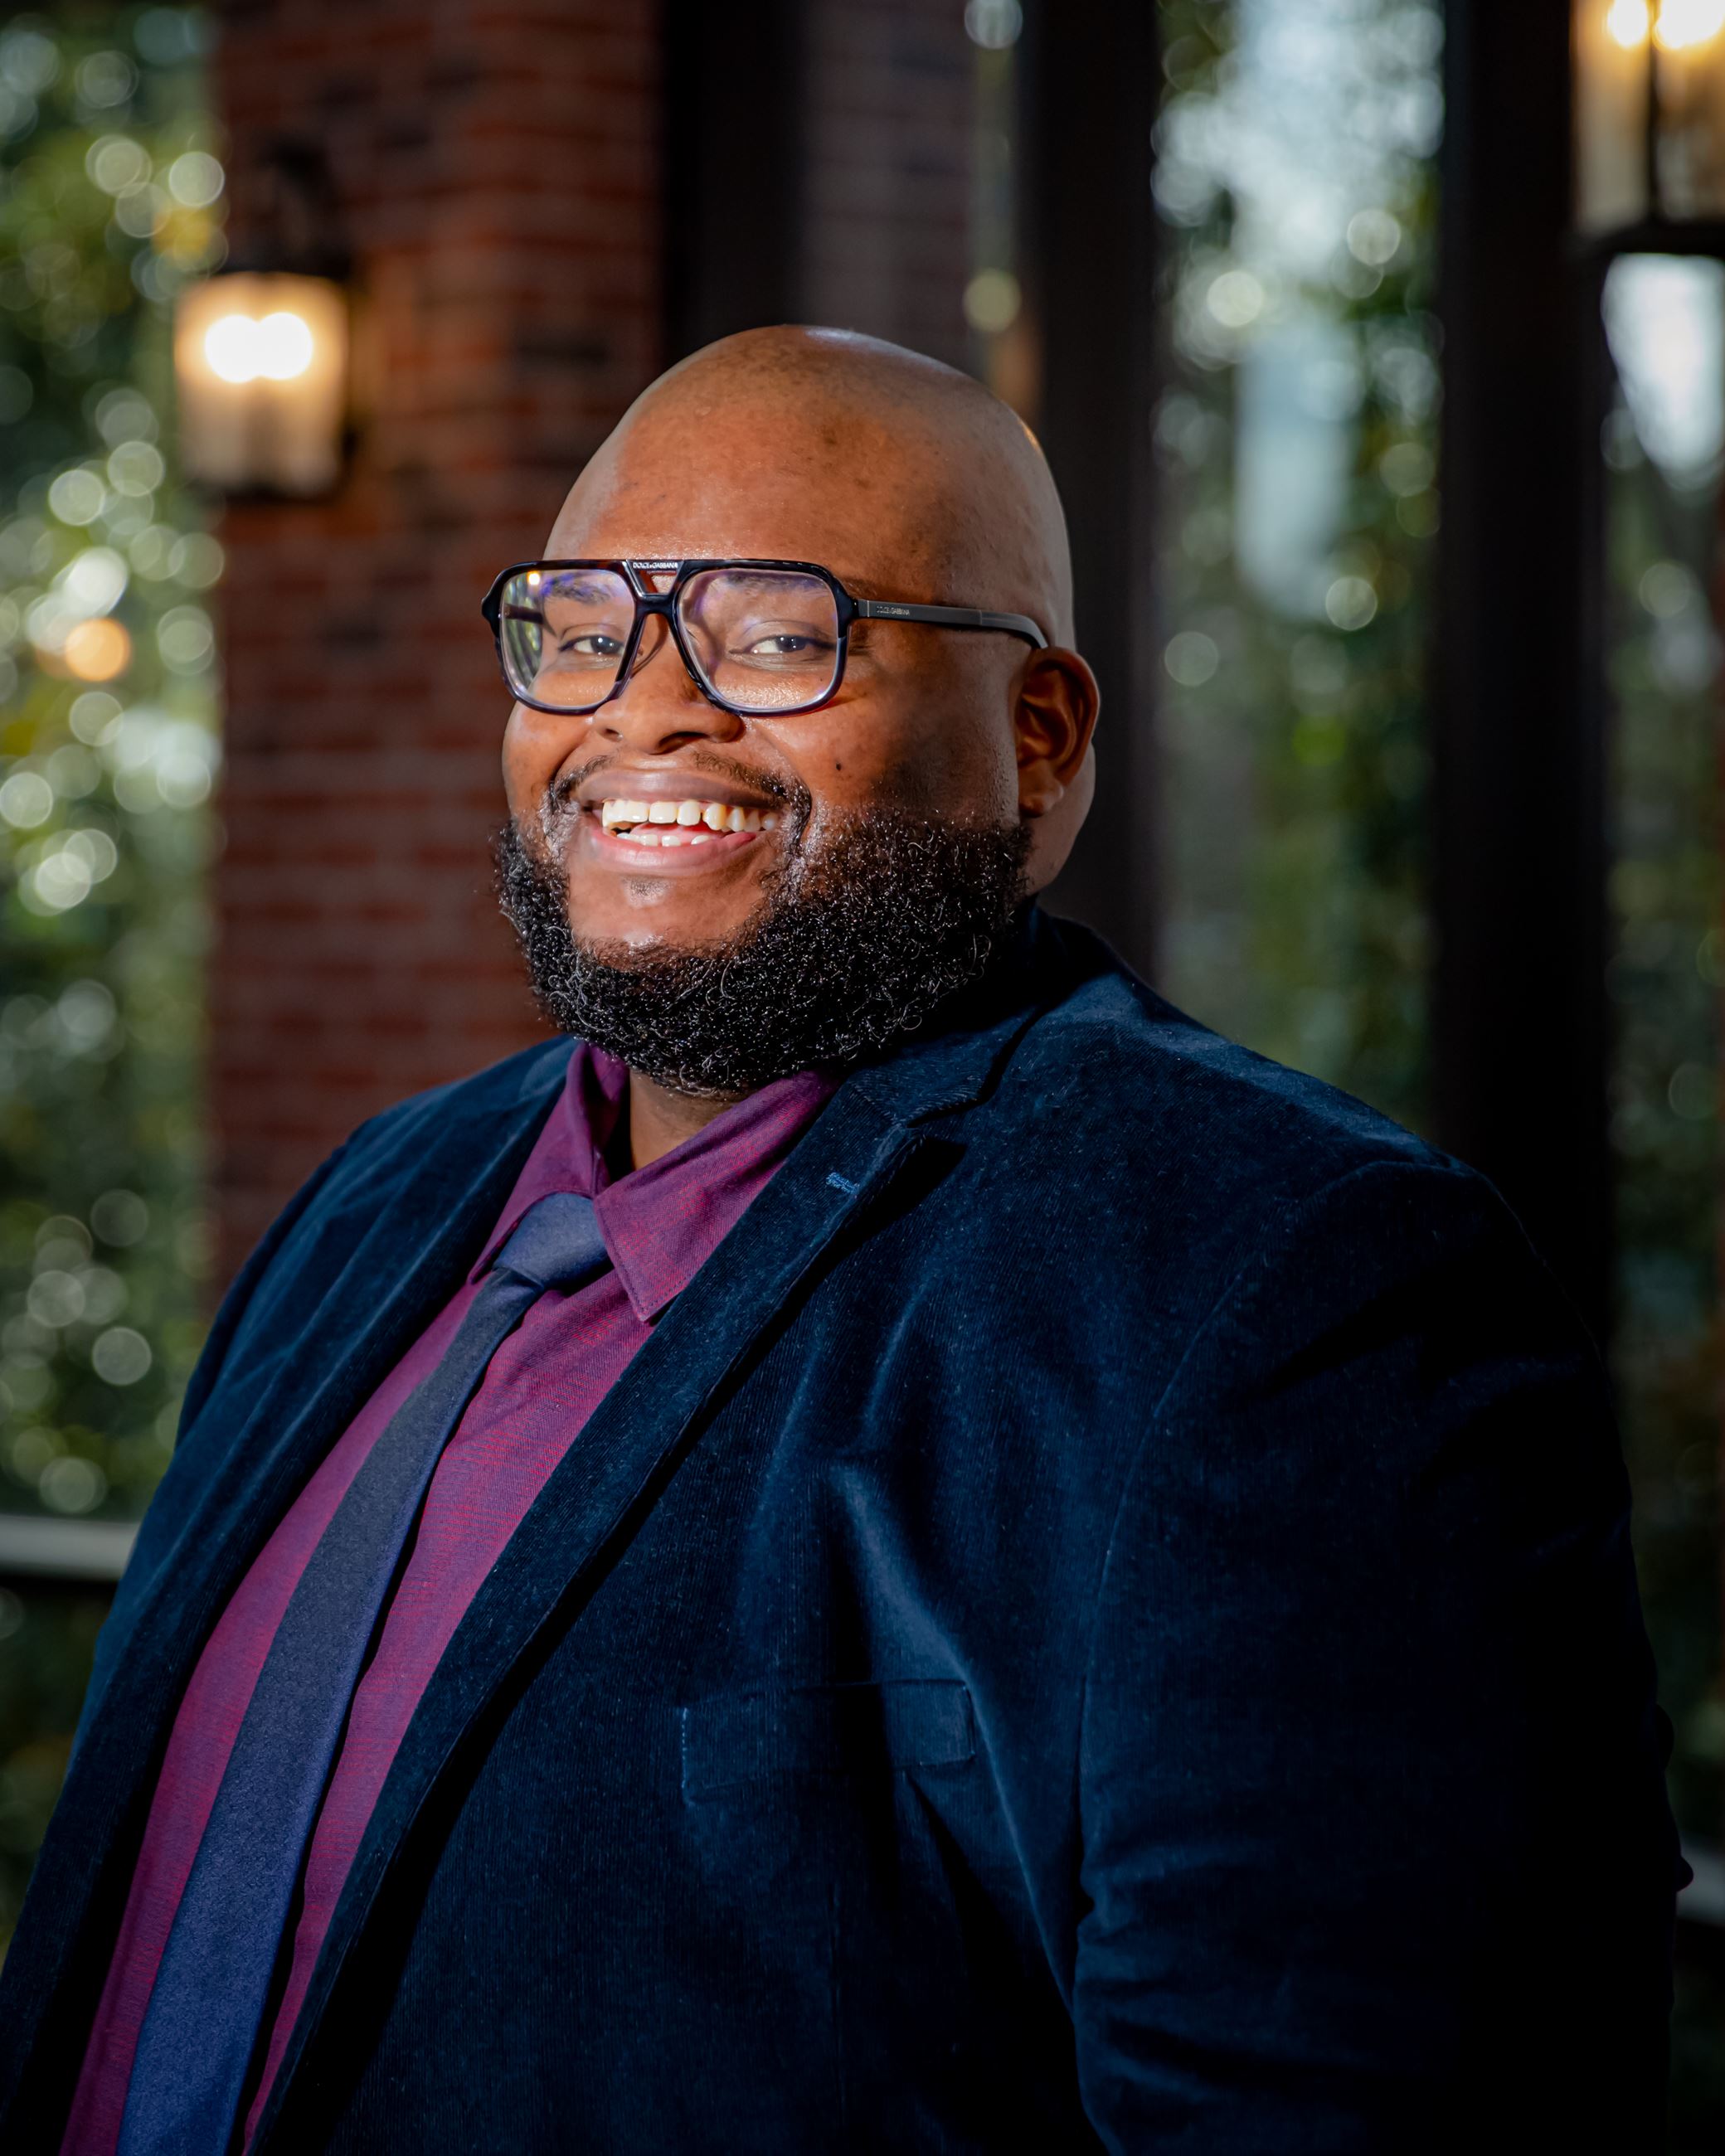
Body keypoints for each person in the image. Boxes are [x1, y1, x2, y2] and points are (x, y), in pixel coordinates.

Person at [0, 328, 1682, 2154]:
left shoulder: (1290, 1296)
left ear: (1035, 742)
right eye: (579, 626)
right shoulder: (375, 1208)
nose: (642, 708)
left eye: (776, 629)